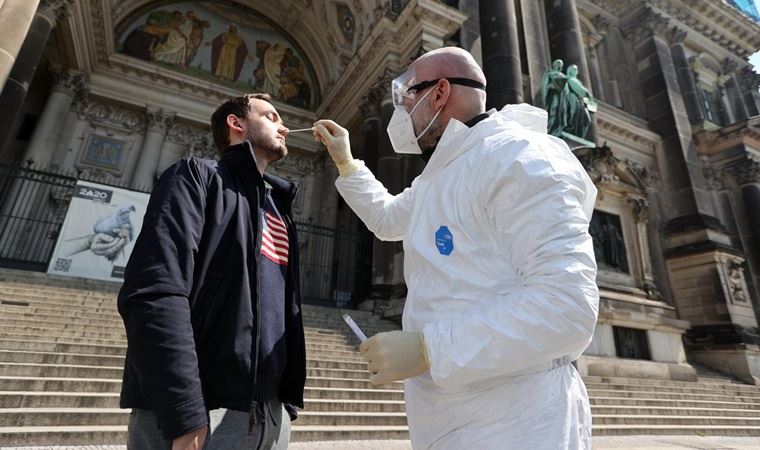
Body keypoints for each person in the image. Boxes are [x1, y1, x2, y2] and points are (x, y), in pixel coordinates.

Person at [313, 47, 599, 449]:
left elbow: (566, 306)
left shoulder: (521, 157)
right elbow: (386, 219)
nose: (401, 110)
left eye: (406, 95)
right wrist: (347, 163)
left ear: (440, 92)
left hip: (517, 421)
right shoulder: (440, 174)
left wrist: (432, 347)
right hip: (447, 415)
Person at [118, 93, 306, 450]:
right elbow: (155, 291)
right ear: (237, 124)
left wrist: (284, 401)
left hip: (269, 415)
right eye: (271, 116)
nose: (284, 126)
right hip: (199, 410)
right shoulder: (196, 176)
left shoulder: (279, 209)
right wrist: (184, 410)